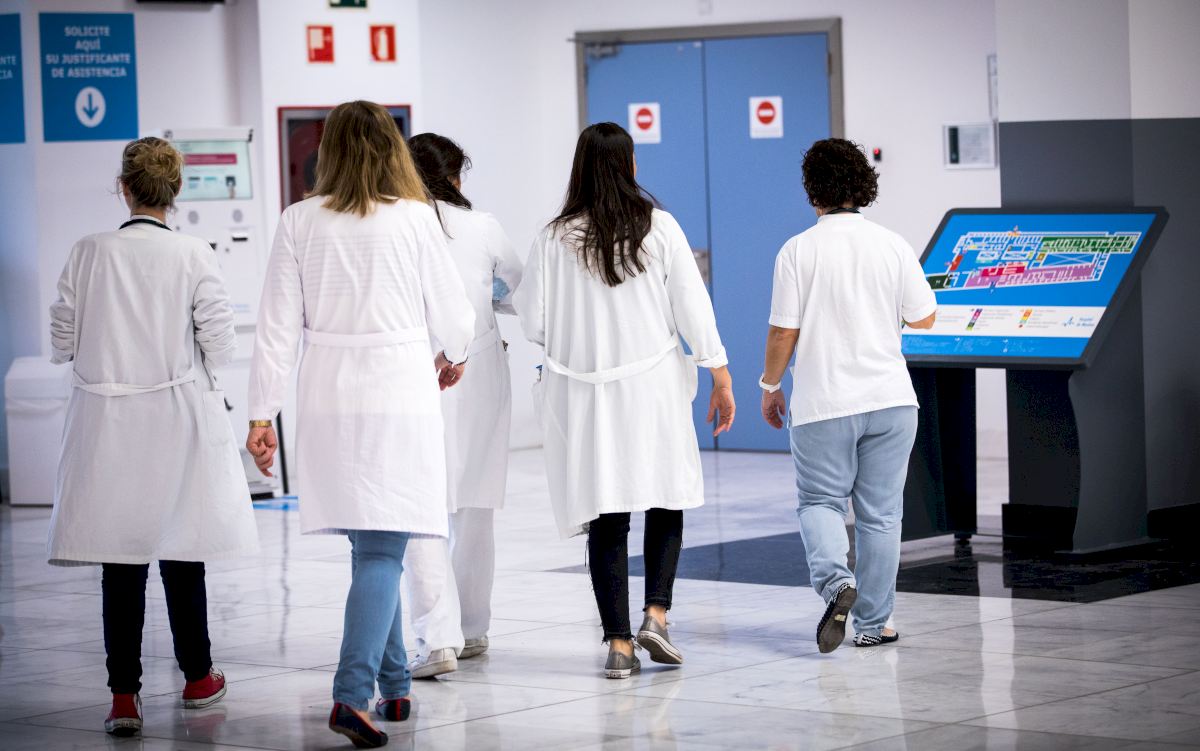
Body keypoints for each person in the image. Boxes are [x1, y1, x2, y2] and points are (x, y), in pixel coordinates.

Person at [245, 101, 474, 749]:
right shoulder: (415, 218)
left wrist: (262, 412)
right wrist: (454, 354)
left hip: (327, 395)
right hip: (397, 391)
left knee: (373, 542)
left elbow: (275, 328)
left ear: (330, 152)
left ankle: (395, 684)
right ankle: (351, 694)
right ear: (393, 150)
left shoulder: (298, 220)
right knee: (382, 546)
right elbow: (455, 315)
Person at [47, 136, 259, 737]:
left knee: (120, 560)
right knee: (182, 548)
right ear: (176, 189)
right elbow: (220, 342)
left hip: (107, 424)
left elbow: (61, 340)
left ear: (124, 188)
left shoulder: (88, 251)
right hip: (177, 419)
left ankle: (123, 698)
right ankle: (198, 678)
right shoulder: (194, 253)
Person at [514, 122, 734, 679]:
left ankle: (618, 645)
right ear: (631, 165)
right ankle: (656, 615)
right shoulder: (660, 227)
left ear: (580, 169)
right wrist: (719, 371)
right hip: (653, 387)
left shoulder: (553, 238)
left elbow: (534, 322)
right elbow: (693, 307)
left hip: (585, 396)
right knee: (665, 496)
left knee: (606, 513)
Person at [758, 138, 937, 653]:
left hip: (825, 403)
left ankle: (837, 584)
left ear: (812, 189)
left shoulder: (798, 250)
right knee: (881, 516)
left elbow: (783, 332)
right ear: (863, 185)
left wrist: (770, 386)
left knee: (820, 501)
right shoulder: (893, 245)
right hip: (892, 401)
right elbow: (924, 316)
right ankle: (874, 624)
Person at [400, 133, 524, 679]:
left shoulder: (397, 224)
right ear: (454, 176)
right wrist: (488, 297)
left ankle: (439, 637)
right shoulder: (483, 226)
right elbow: (521, 290)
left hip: (414, 370)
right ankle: (471, 629)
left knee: (421, 507)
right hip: (477, 371)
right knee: (474, 507)